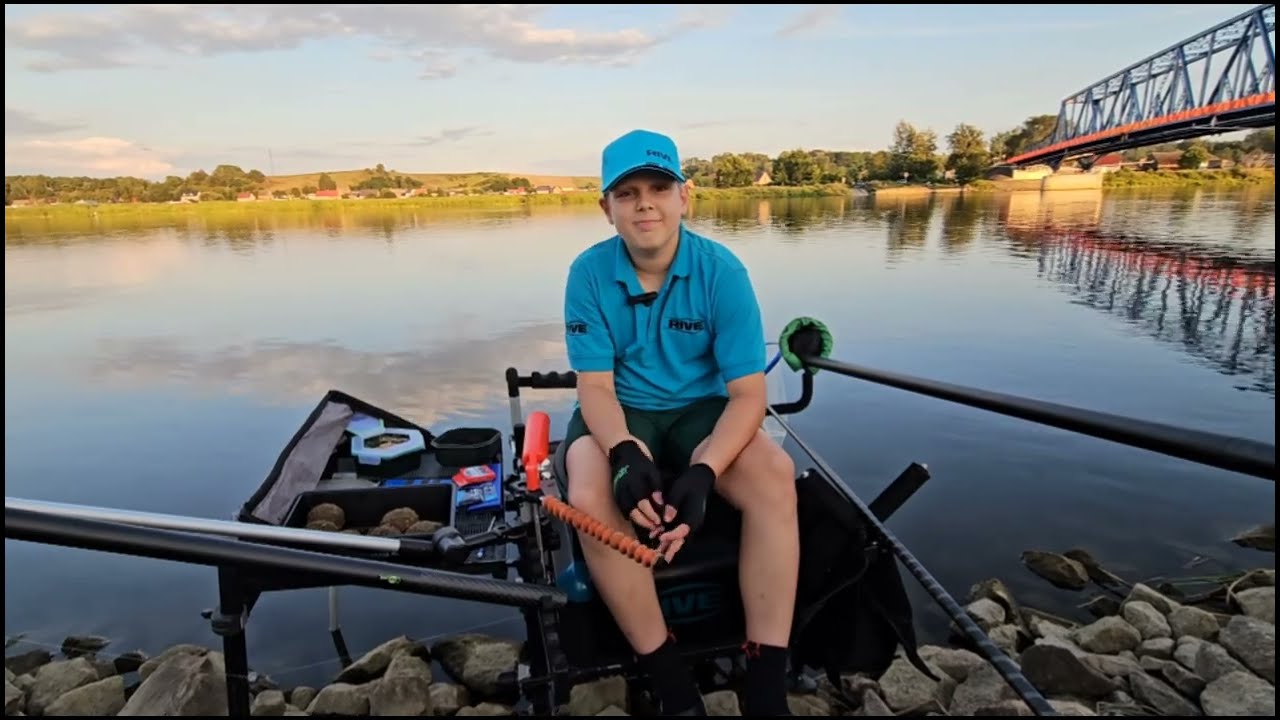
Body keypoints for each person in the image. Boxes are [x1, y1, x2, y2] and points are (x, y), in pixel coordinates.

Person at [560, 128, 800, 716]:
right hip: (623, 408)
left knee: (776, 474)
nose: (645, 204)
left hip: (702, 409)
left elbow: (748, 395)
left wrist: (704, 470)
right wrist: (623, 451)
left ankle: (766, 680)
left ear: (684, 197)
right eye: (627, 193)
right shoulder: (587, 274)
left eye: (659, 188)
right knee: (589, 494)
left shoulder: (723, 272)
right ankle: (669, 678)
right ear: (606, 208)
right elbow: (594, 387)